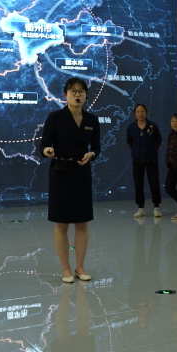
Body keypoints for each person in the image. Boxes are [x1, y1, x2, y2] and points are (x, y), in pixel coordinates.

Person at [40, 77, 101, 283]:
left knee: (82, 222)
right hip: (61, 172)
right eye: (73, 91)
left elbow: (97, 147)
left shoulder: (92, 120)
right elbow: (43, 145)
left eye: (81, 91)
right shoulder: (55, 117)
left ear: (86, 95)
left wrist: (91, 154)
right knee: (62, 223)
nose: (77, 94)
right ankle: (65, 268)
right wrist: (47, 151)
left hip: (81, 173)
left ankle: (80, 267)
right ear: (65, 95)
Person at [126, 104, 163, 218]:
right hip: (137, 160)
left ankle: (156, 207)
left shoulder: (153, 126)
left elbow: (159, 141)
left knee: (154, 182)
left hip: (151, 158)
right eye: (138, 111)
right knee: (138, 183)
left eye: (142, 111)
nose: (140, 114)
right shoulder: (131, 127)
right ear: (135, 114)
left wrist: (150, 150)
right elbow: (129, 143)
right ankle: (140, 208)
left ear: (146, 113)